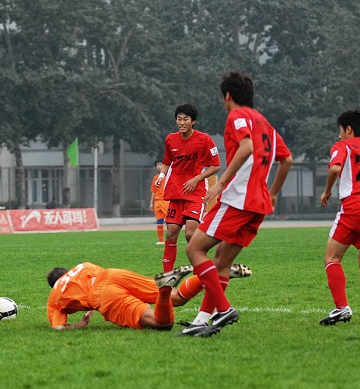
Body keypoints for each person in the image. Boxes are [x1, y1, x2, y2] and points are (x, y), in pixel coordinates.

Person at [181, 71, 292, 337]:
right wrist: (273, 193)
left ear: (228, 96)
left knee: (194, 249)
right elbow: (287, 159)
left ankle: (224, 309)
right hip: (259, 205)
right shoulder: (266, 124)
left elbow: (246, 147)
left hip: (238, 200)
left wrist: (220, 183)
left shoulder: (236, 115)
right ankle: (201, 321)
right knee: (221, 261)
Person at [46, 262, 252, 331]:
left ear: (54, 284)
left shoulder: (54, 296)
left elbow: (58, 328)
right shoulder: (82, 266)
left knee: (162, 323)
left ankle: (164, 289)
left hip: (103, 294)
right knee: (178, 297)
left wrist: (80, 325)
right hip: (112, 274)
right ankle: (212, 274)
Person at [319, 110, 360, 325]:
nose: (339, 136)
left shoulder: (343, 145)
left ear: (349, 129)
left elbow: (335, 168)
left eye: (341, 131)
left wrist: (327, 191)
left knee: (331, 257)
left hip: (357, 204)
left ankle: (342, 308)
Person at [154, 104, 221, 272]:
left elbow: (216, 166)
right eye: (179, 119)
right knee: (171, 233)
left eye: (185, 119)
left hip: (195, 193)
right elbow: (167, 163)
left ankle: (202, 272)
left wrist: (196, 179)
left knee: (190, 234)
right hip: (176, 193)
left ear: (193, 121)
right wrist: (161, 176)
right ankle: (167, 276)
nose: (182, 122)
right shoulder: (170, 139)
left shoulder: (204, 139)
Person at [149, 160, 170, 245]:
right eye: (157, 165)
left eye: (160, 165)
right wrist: (151, 203)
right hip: (157, 202)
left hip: (166, 201)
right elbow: (153, 191)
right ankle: (161, 240)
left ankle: (171, 239)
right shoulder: (155, 178)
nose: (158, 167)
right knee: (159, 221)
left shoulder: (168, 176)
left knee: (169, 221)